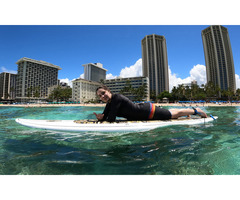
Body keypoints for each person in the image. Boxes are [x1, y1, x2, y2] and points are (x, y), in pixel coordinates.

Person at [93, 85, 207, 122]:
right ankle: (188, 111)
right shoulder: (109, 103)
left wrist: (104, 118)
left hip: (148, 112)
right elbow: (106, 117)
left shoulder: (116, 98)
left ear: (108, 91)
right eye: (100, 96)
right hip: (145, 110)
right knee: (172, 112)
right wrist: (101, 117)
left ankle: (196, 111)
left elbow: (111, 119)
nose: (102, 96)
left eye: (103, 93)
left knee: (173, 115)